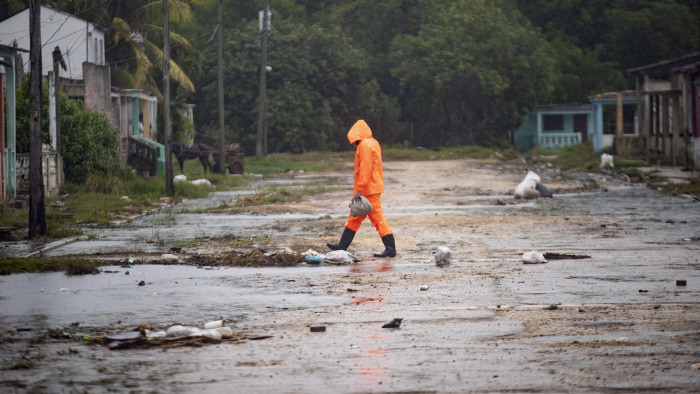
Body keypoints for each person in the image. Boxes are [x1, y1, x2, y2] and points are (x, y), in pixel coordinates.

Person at [327, 119, 396, 258]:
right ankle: (342, 246)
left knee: (377, 219)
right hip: (371, 187)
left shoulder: (364, 145)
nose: (355, 144)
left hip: (368, 189)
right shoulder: (373, 142)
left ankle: (391, 249)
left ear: (358, 136)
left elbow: (365, 167)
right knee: (354, 217)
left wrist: (360, 188)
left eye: (355, 141)